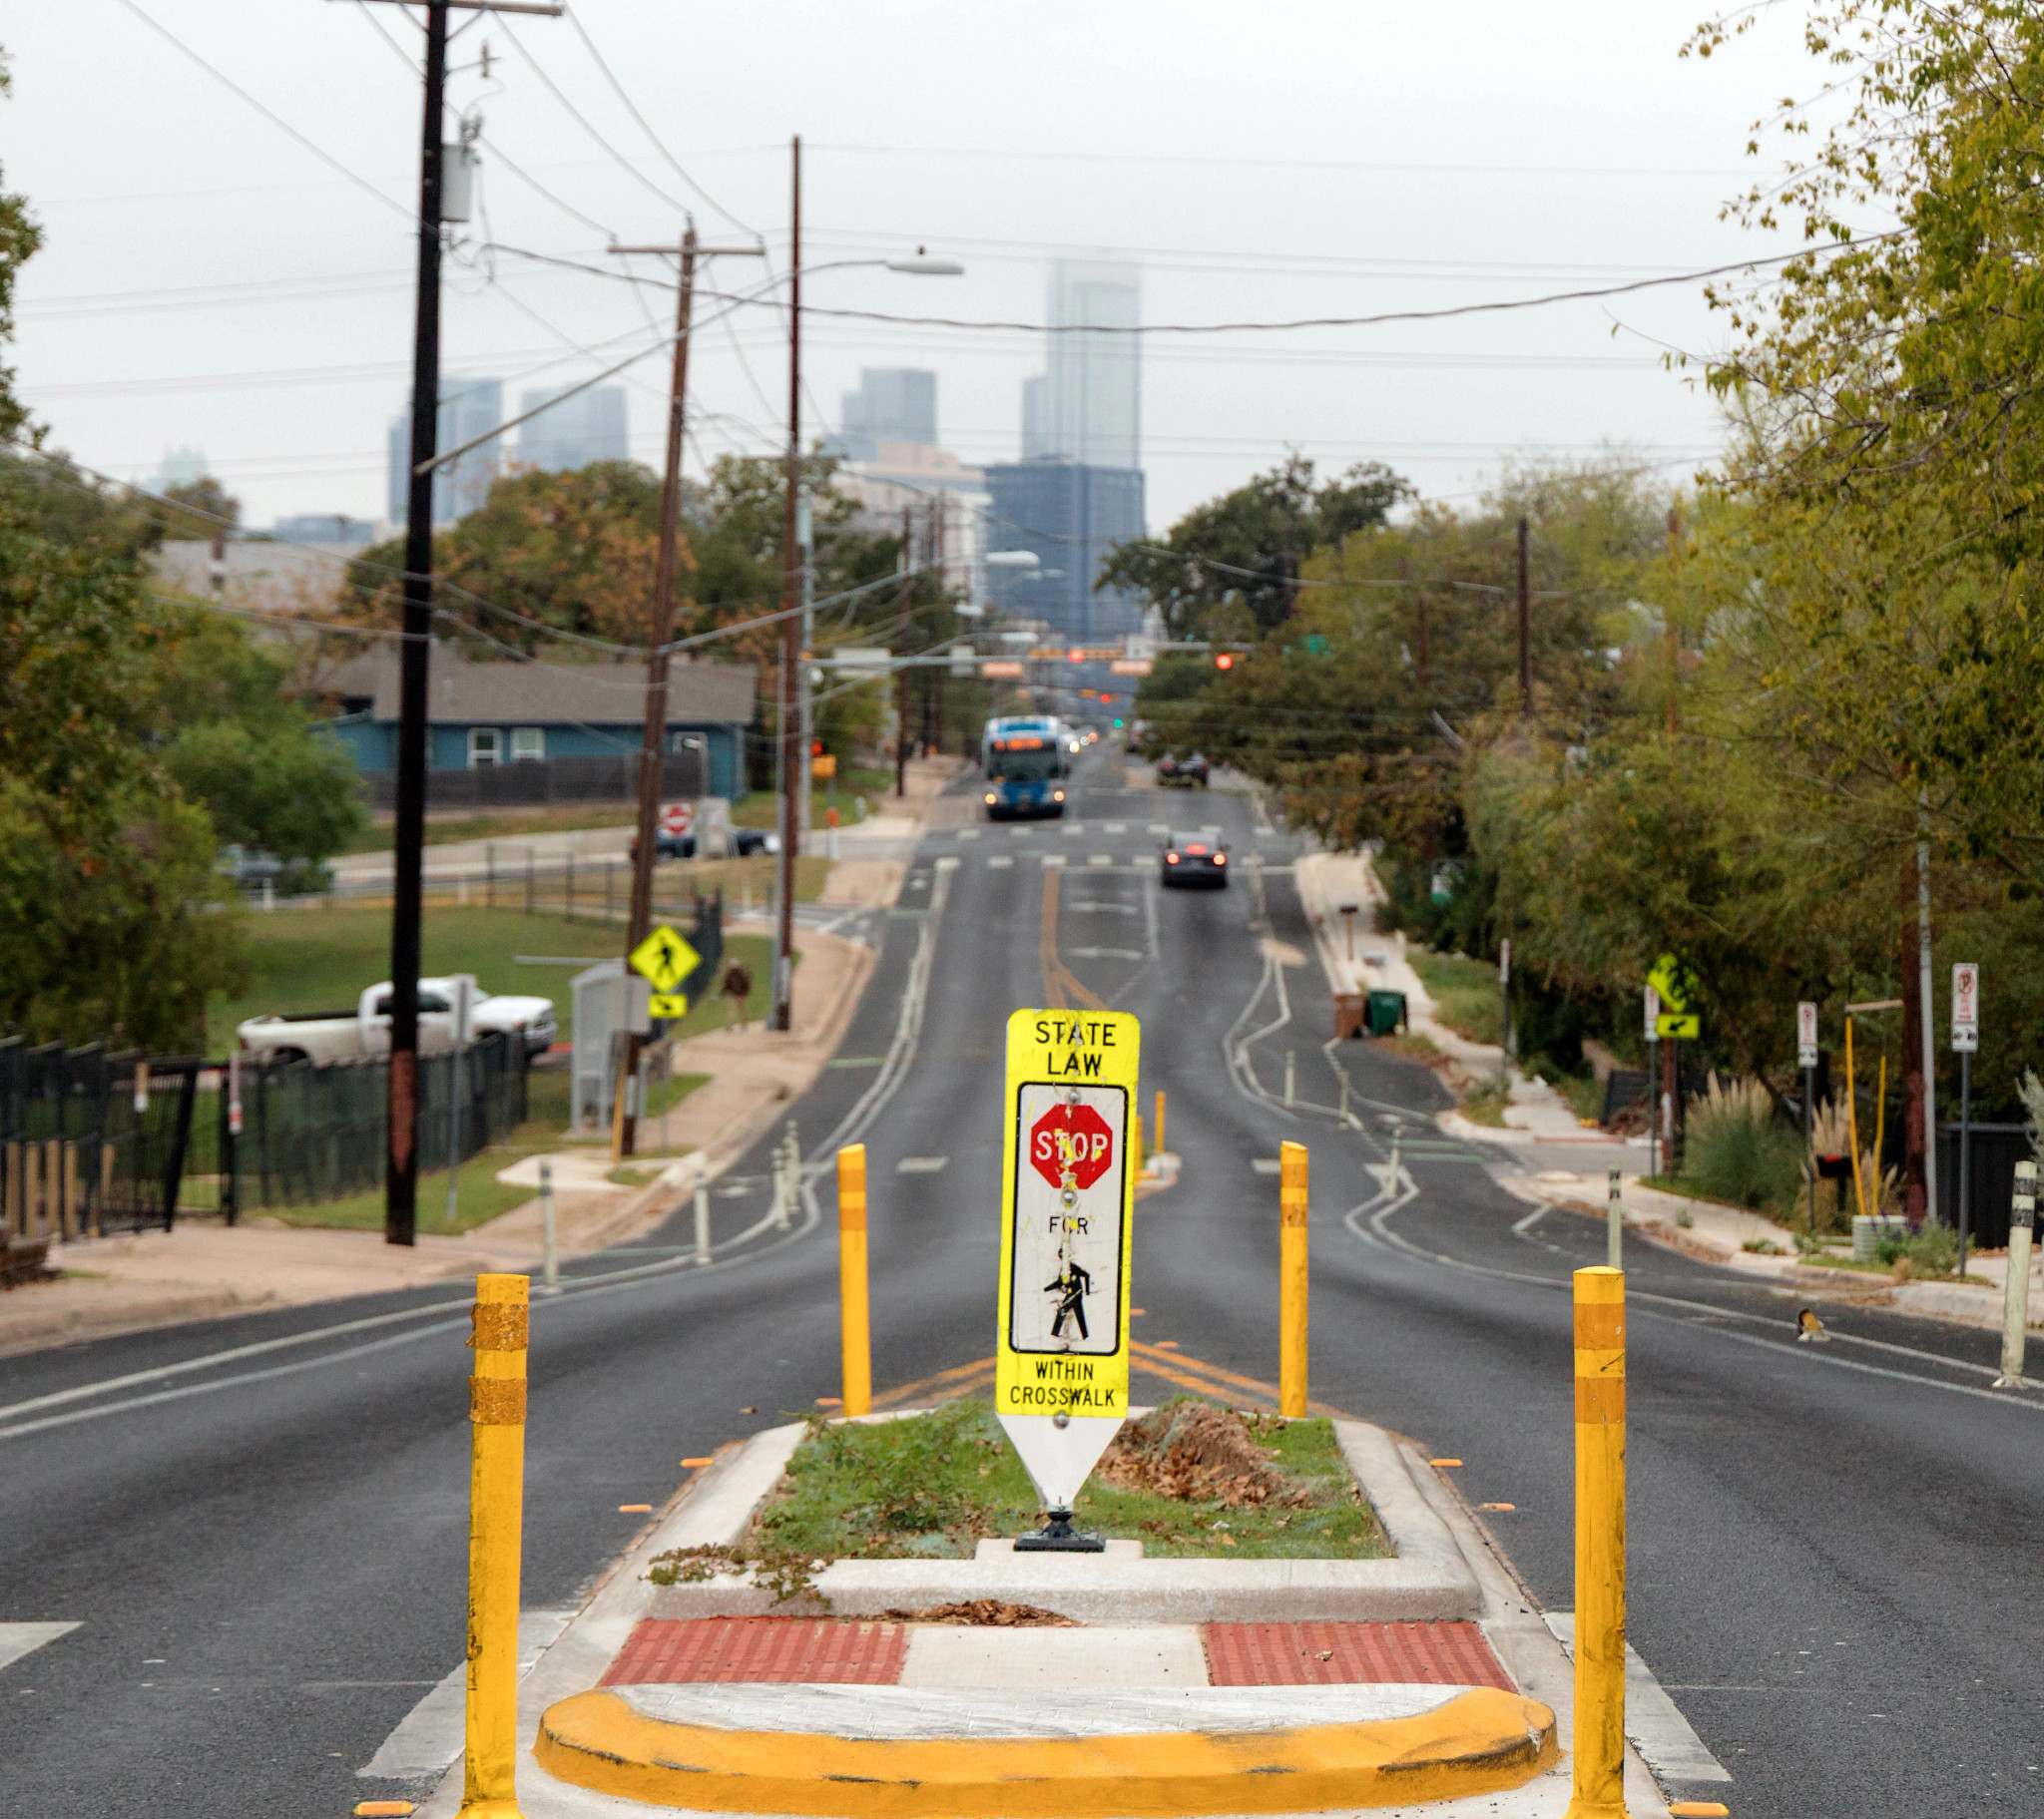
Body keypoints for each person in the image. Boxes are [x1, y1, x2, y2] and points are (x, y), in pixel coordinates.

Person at [1045, 1250, 1092, 1341]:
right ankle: (1084, 1335)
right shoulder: (1064, 1270)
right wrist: (1046, 1289)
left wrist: (1087, 1291)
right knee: (1074, 1314)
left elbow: (1087, 1275)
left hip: (1076, 1295)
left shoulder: (1073, 1267)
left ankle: (1055, 1334)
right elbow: (1060, 1282)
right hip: (1071, 1295)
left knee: (1069, 1313)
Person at [721, 961, 754, 1031]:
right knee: (732, 1011)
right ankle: (730, 1026)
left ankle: (744, 1024)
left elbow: (747, 984)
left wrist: (745, 993)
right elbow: (726, 985)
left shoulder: (742, 974)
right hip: (734, 995)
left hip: (741, 995)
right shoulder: (729, 975)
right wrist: (721, 993)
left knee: (742, 1010)